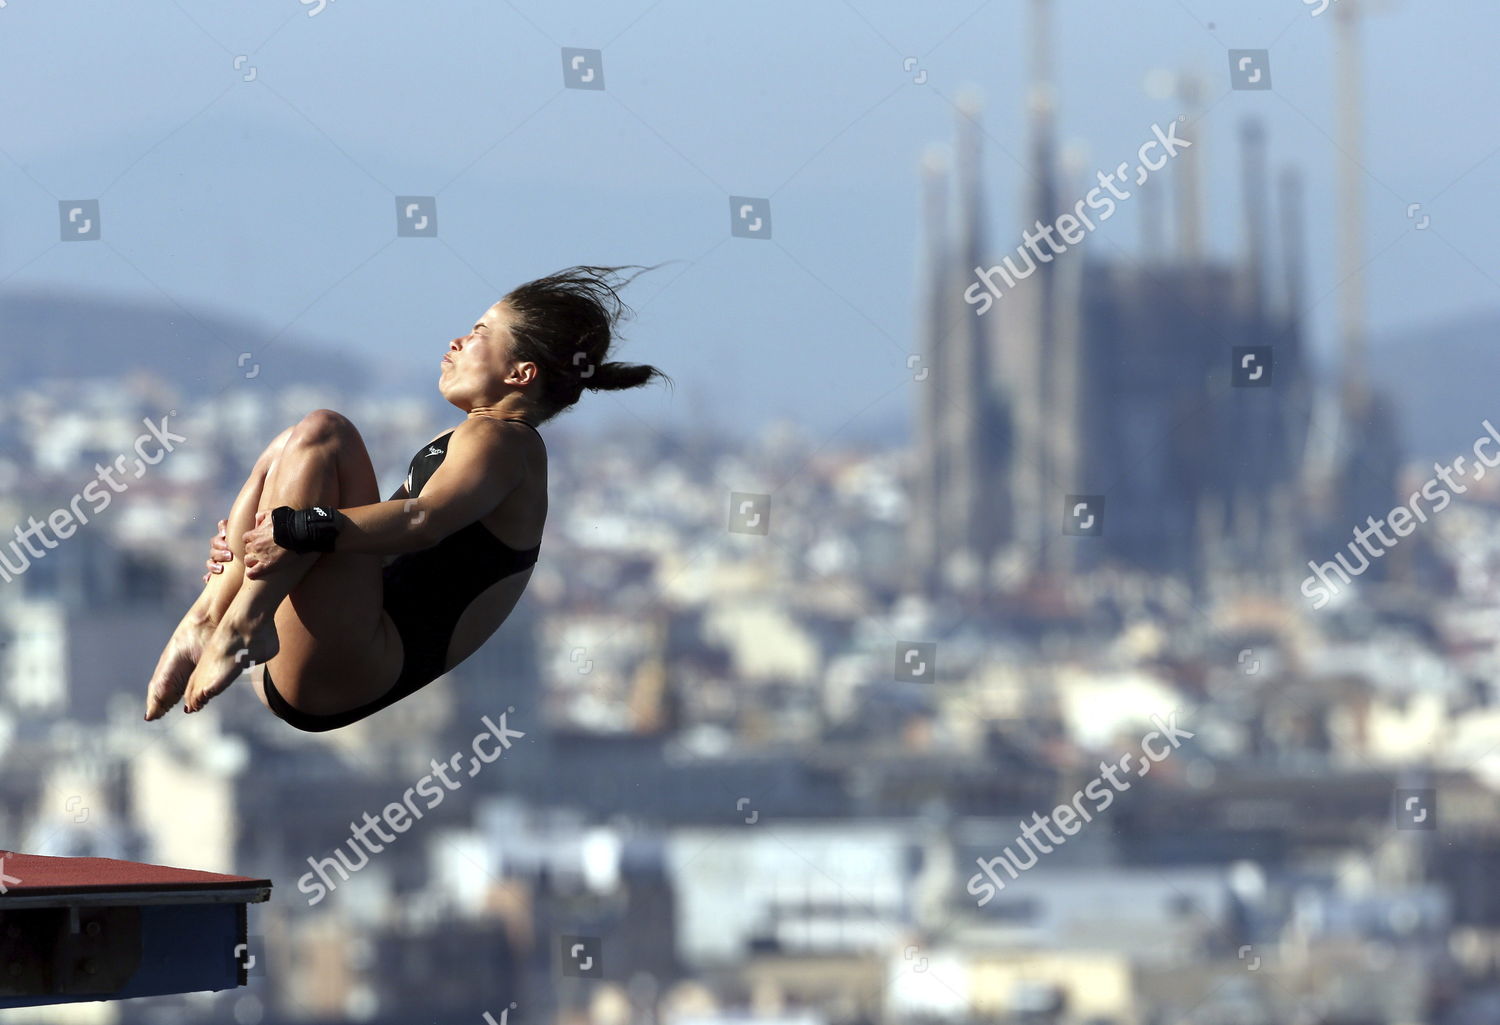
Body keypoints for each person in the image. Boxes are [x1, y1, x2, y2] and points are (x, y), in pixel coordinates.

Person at [144, 265, 671, 731]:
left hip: (348, 667)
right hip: (329, 663)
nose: (458, 341)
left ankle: (240, 624)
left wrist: (291, 529)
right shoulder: (473, 441)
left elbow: (421, 520)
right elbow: (374, 539)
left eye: (481, 333)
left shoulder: (505, 442)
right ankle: (208, 620)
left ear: (519, 374)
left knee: (325, 431)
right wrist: (253, 539)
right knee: (293, 445)